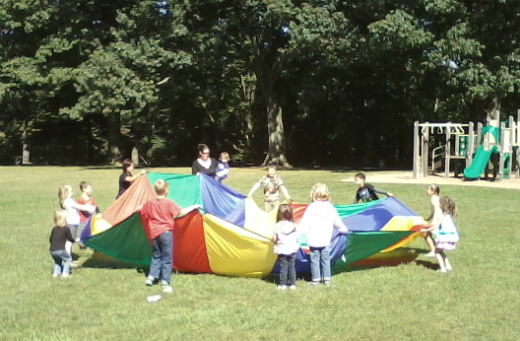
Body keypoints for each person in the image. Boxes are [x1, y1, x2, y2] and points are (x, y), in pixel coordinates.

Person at [140, 179, 202, 293]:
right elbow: (181, 212)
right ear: (166, 190)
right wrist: (194, 206)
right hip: (165, 232)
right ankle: (165, 281)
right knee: (167, 257)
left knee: (156, 255)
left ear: (155, 190)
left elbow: (142, 212)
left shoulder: (150, 203)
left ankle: (151, 277)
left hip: (154, 233)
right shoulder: (168, 203)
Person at [299, 183, 348, 286]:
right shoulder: (330, 208)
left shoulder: (311, 208)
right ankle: (327, 279)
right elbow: (337, 222)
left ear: (313, 194)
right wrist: (344, 230)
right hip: (325, 240)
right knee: (326, 260)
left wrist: (299, 233)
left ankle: (315, 280)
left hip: (313, 240)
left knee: (314, 260)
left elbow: (304, 223)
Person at [421, 196, 459, 273]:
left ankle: (443, 269)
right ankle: (448, 266)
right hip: (451, 236)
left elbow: (435, 226)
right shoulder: (449, 215)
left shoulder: (442, 215)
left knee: (436, 252)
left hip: (444, 237)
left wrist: (425, 230)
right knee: (440, 251)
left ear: (442, 205)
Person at [58, 185, 96, 254]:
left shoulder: (68, 200)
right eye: (71, 191)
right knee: (69, 241)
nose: (72, 192)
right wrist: (89, 208)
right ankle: (67, 258)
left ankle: (69, 257)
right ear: (66, 193)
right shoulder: (68, 201)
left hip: (73, 224)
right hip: (71, 224)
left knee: (71, 240)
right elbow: (78, 206)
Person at [272, 204, 299, 290]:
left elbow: (274, 238)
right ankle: (292, 284)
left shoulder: (277, 226)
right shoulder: (294, 226)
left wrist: (274, 241)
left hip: (282, 250)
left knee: (283, 267)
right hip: (292, 249)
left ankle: (283, 284)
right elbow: (297, 236)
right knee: (291, 267)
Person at [49, 210, 75, 278]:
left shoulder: (54, 229)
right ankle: (65, 273)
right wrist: (74, 240)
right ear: (64, 220)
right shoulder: (66, 229)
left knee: (58, 261)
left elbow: (50, 239)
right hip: (60, 249)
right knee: (68, 259)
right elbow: (70, 238)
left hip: (52, 250)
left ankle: (56, 273)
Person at [77, 181, 101, 249]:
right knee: (82, 231)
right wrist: (89, 211)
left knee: (91, 231)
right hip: (83, 220)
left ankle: (90, 244)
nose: (91, 190)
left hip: (90, 219)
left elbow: (95, 206)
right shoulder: (80, 199)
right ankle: (82, 245)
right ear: (84, 189)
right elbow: (80, 209)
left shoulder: (91, 198)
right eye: (89, 188)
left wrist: (99, 213)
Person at [423, 184, 441, 257]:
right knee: (428, 234)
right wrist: (427, 219)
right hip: (438, 220)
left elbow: (437, 210)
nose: (427, 191)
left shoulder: (434, 199)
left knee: (426, 234)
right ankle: (435, 250)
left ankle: (433, 251)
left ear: (433, 191)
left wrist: (433, 222)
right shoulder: (435, 198)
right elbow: (433, 212)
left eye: (428, 189)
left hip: (437, 221)